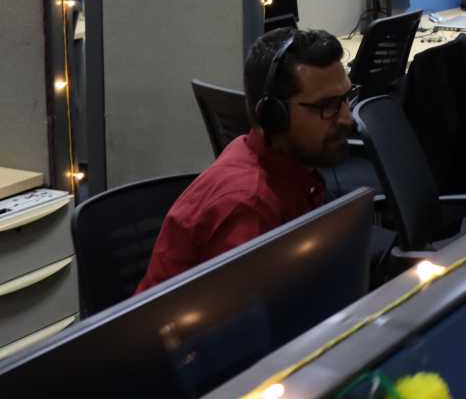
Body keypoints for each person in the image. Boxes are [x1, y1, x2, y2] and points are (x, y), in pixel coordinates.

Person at [137, 28, 354, 292]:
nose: (347, 119)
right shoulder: (248, 208)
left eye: (346, 98)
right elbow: (249, 316)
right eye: (327, 106)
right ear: (274, 116)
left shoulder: (288, 167)